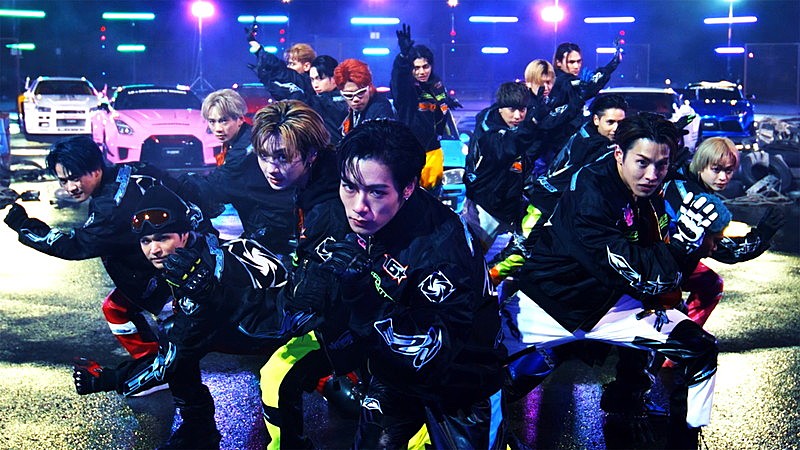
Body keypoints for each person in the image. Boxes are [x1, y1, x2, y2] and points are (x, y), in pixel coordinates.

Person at [284, 119, 506, 448]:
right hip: (390, 376)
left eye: (376, 192)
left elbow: (427, 357)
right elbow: (297, 306)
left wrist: (360, 298)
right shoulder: (337, 215)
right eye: (349, 186)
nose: (358, 207)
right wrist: (309, 292)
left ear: (408, 187)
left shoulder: (441, 250)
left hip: (463, 383)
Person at [502, 113, 721, 447]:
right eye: (642, 163)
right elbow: (643, 272)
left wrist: (725, 241)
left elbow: (664, 268)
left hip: (612, 303)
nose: (652, 175)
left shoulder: (653, 188)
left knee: (700, 349)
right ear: (619, 154)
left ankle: (686, 439)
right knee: (479, 378)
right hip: (551, 303)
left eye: (661, 165)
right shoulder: (592, 193)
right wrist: (680, 247)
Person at [72, 185, 289, 449]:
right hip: (245, 327)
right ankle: (198, 429)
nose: (154, 250)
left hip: (285, 332)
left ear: (184, 235)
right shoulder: (190, 253)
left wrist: (109, 378)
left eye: (162, 238)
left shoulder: (204, 269)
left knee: (178, 343)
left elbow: (176, 353)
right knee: (176, 336)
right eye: (146, 241)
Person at [2, 135, 187, 363]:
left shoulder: (109, 208)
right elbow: (182, 187)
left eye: (75, 178)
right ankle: (151, 362)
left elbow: (75, 245)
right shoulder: (133, 169)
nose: (70, 187)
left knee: (183, 347)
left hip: (169, 278)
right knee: (115, 308)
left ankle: (162, 368)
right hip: (180, 261)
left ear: (96, 169)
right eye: (63, 181)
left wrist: (23, 225)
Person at [462, 81, 537, 253]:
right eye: (512, 110)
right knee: (470, 255)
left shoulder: (518, 129)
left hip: (510, 204)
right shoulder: (489, 131)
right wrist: (533, 123)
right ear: (500, 108)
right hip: (484, 207)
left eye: (522, 110)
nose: (517, 116)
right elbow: (505, 150)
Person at [529, 93, 629, 218]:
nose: (616, 128)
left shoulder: (603, 141)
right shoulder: (588, 144)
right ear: (596, 120)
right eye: (610, 122)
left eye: (621, 123)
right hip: (550, 207)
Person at [391, 23, 460, 193]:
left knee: (433, 202)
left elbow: (437, 112)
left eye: (425, 66)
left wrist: (447, 102)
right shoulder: (407, 90)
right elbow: (398, 80)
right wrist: (403, 57)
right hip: (410, 154)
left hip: (434, 152)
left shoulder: (436, 85)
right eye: (416, 68)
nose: (422, 72)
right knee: (409, 201)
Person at [249, 30, 316, 102]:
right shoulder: (292, 85)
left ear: (306, 66)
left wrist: (259, 49)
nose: (288, 67)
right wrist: (265, 78)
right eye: (288, 64)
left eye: (293, 64)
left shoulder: (306, 84)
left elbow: (281, 70)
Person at [334, 58, 396, 136]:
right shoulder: (346, 111)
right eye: (349, 95)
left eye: (361, 92)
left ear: (369, 87)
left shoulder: (381, 109)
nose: (356, 99)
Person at [201, 88, 252, 167]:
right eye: (212, 121)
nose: (218, 129)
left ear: (240, 119)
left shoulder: (247, 145)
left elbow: (225, 173)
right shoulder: (229, 143)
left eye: (224, 121)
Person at [307, 55, 349, 145]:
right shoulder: (316, 100)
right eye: (312, 79)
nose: (315, 84)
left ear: (334, 77)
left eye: (320, 79)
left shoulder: (347, 98)